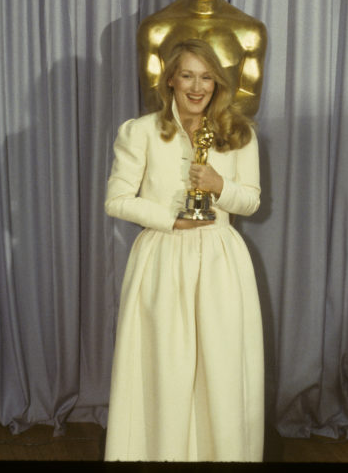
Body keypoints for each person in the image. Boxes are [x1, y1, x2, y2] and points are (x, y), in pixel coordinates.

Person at [104, 38, 264, 462]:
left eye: (207, 77)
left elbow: (250, 201)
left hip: (220, 260)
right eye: (188, 75)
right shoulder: (139, 131)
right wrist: (170, 219)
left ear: (217, 83)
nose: (197, 87)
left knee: (222, 368)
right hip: (162, 256)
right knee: (166, 368)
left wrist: (219, 185)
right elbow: (117, 200)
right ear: (170, 79)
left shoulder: (239, 133)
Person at [137, 0, 267, 117]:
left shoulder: (250, 31)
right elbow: (152, 97)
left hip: (227, 136)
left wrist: (207, 128)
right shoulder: (155, 29)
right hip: (171, 135)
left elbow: (249, 98)